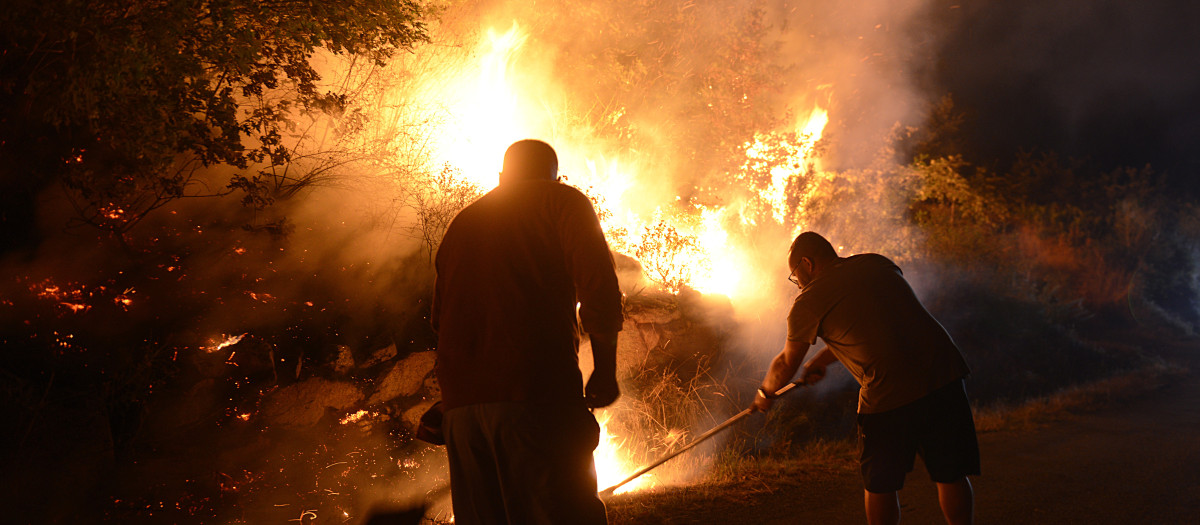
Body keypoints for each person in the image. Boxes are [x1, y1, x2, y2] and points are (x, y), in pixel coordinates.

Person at [431, 139, 624, 525]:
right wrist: (604, 369)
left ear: (502, 177)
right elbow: (598, 290)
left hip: (463, 413)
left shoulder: (462, 223)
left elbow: (441, 319)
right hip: (536, 397)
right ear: (553, 175)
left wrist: (453, 400)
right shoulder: (561, 201)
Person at [753, 232, 979, 525]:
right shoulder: (876, 263)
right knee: (951, 473)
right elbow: (877, 324)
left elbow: (785, 363)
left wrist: (765, 393)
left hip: (889, 395)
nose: (797, 284)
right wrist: (821, 360)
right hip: (943, 375)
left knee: (880, 485)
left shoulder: (808, 301)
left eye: (795, 276)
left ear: (807, 263)